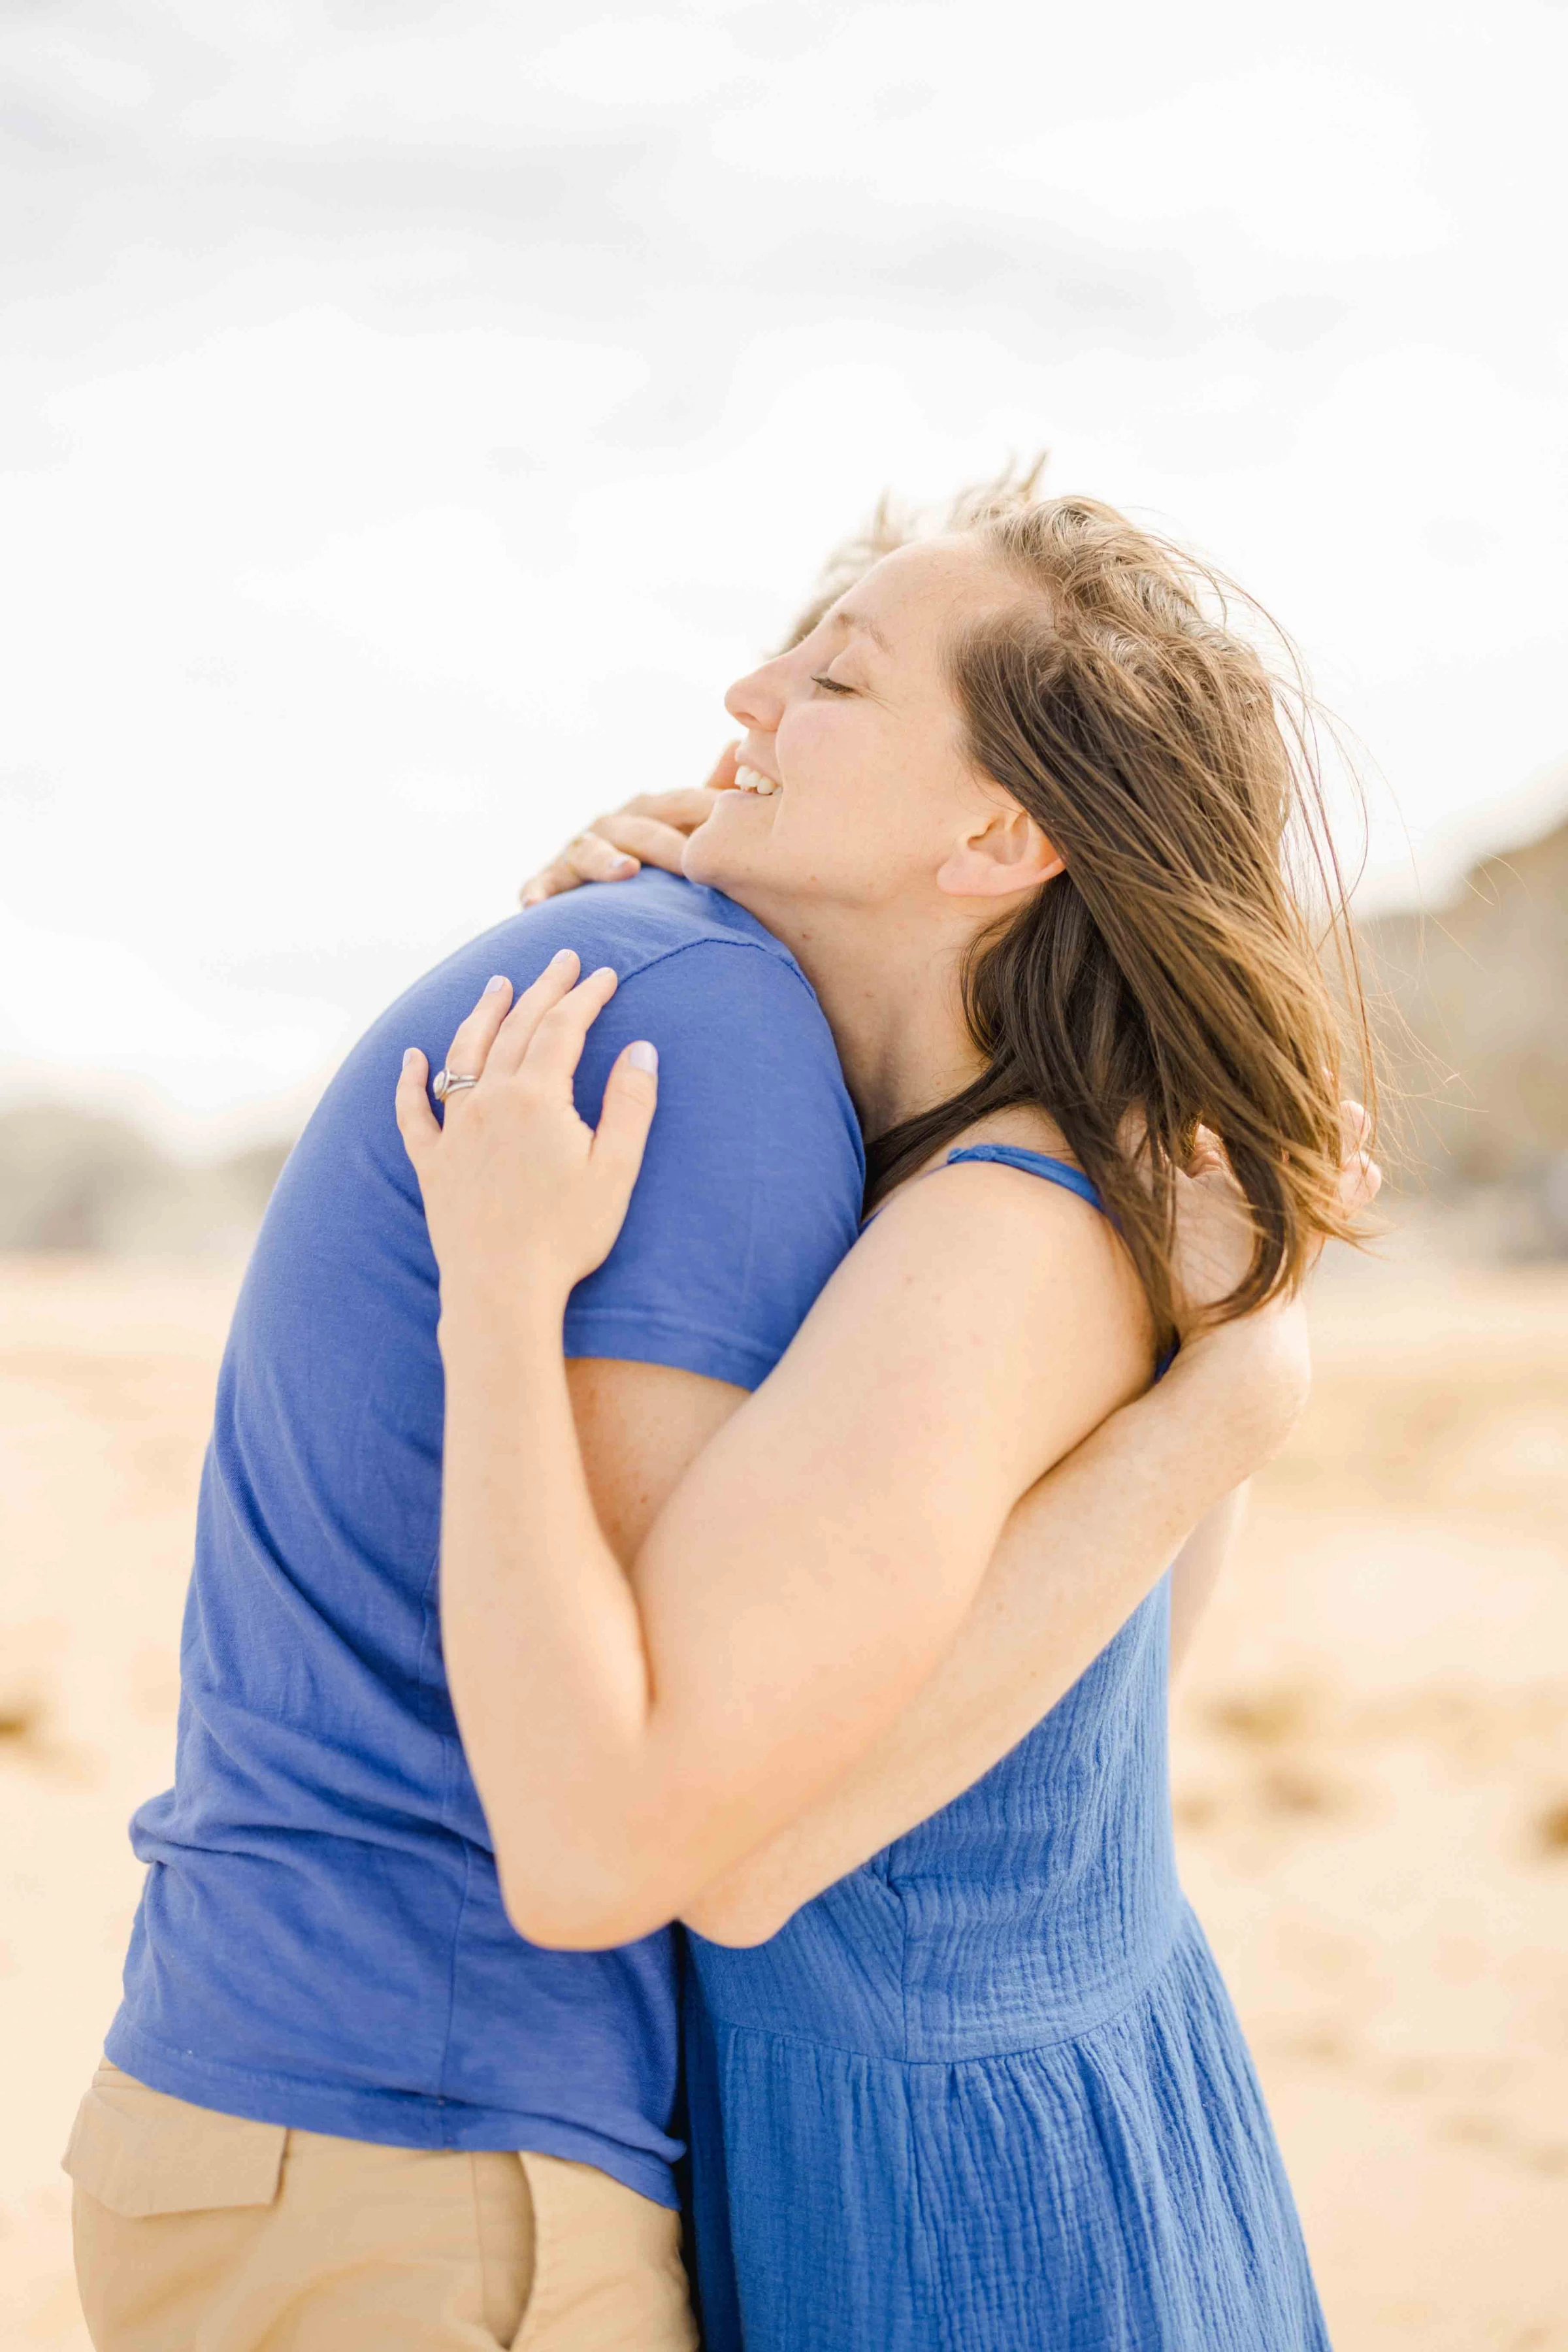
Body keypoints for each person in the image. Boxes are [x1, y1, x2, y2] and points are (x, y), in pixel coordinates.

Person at [63, 476, 1368, 2352]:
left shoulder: (1016, 1225)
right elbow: (1076, 1724)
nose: (746, 698)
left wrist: (509, 1296)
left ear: (1001, 831)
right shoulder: (933, 1183)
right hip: (989, 2120)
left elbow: (714, 1863)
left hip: (958, 2198)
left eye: (835, 685)